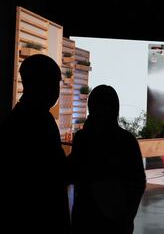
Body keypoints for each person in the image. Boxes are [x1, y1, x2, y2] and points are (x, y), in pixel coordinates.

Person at [0, 54, 71, 234]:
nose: (57, 91)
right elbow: (56, 173)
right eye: (55, 83)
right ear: (43, 84)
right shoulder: (39, 121)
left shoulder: (18, 117)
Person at [69, 85, 146, 234]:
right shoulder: (127, 140)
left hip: (85, 217)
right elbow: (138, 182)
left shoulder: (83, 138)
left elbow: (73, 172)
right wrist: (127, 215)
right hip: (118, 221)